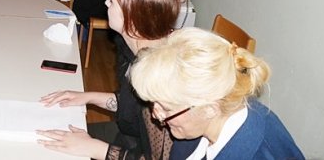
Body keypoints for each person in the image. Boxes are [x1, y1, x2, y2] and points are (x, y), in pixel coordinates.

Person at [37, 0, 181, 159]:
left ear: (132, 19)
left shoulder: (161, 81)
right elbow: (132, 106)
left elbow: (157, 157)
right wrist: (87, 97)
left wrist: (96, 149)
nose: (106, 3)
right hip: (125, 140)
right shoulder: (131, 49)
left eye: (112, 1)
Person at [130, 27, 305, 159]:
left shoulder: (259, 152)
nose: (155, 115)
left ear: (209, 109)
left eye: (166, 108)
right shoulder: (204, 118)